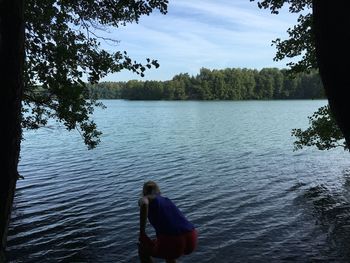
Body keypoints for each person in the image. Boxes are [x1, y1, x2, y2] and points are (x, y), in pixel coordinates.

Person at [138, 181, 197, 263]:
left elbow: (144, 203)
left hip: (173, 240)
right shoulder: (166, 200)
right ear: (159, 191)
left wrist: (142, 231)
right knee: (169, 254)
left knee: (143, 250)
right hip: (191, 236)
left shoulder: (147, 197)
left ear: (144, 192)